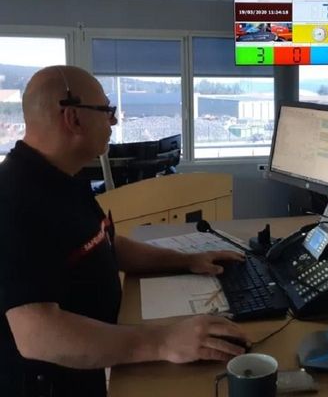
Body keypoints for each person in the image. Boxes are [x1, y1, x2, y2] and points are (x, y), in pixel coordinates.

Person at [0, 65, 249, 397]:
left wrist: (187, 260)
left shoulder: (63, 176)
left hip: (87, 366)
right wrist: (162, 341)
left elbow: (106, 244)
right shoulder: (13, 198)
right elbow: (38, 335)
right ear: (73, 118)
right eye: (107, 110)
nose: (114, 122)